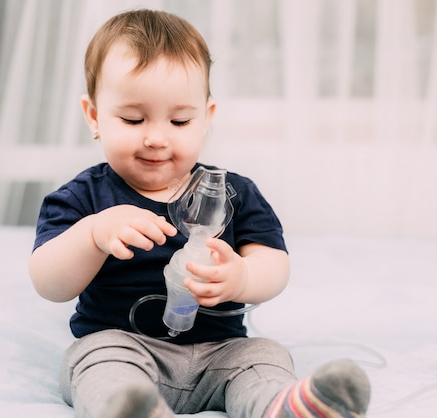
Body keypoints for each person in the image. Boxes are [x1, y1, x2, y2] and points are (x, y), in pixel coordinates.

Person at [28, 9, 371, 418]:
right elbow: (49, 283)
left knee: (263, 356)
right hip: (125, 344)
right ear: (94, 116)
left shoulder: (233, 192)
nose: (156, 137)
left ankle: (282, 408)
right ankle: (131, 409)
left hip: (220, 352)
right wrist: (92, 236)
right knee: (96, 360)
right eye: (133, 118)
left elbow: (274, 263)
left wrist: (242, 277)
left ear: (205, 118)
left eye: (179, 119)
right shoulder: (83, 197)